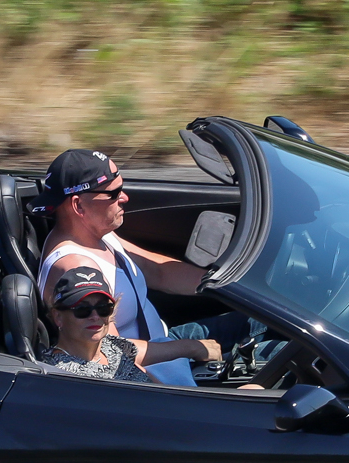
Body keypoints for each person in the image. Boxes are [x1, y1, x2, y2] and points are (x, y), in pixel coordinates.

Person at [33, 147, 249, 389]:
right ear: (78, 206)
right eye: (113, 194)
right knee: (281, 356)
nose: (124, 197)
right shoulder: (78, 268)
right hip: (153, 369)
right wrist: (190, 350)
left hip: (163, 343)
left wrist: (234, 284)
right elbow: (111, 356)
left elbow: (159, 270)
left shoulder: (95, 236)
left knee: (263, 320)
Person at [34, 266, 219, 384]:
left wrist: (195, 347)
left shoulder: (108, 346)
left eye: (103, 308)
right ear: (58, 317)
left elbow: (148, 351)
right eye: (82, 310)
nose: (95, 316)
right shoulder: (64, 375)